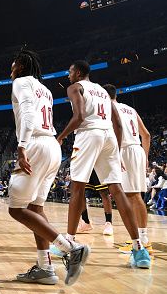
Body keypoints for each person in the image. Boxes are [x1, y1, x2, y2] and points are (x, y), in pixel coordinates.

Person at [56, 60, 151, 268]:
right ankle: (139, 249)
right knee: (117, 190)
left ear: (78, 72)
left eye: (70, 71)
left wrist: (61, 136)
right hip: (108, 135)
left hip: (89, 134)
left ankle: (70, 242)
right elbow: (117, 123)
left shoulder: (75, 87)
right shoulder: (102, 91)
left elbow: (79, 117)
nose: (68, 75)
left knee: (77, 188)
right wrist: (114, 149)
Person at [4, 51, 88, 286]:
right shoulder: (46, 89)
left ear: (20, 66)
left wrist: (21, 147)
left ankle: (70, 248)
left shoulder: (20, 82)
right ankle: (45, 267)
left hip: (36, 144)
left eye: (13, 65)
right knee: (35, 207)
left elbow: (29, 113)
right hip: (51, 145)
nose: (10, 70)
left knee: (16, 209)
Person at [102, 84, 153, 253]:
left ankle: (142, 240)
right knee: (133, 196)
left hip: (124, 150)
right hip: (137, 149)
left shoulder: (108, 107)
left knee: (132, 196)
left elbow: (114, 132)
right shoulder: (130, 109)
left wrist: (116, 154)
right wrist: (145, 157)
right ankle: (140, 237)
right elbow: (146, 135)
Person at [77, 170, 114, 235]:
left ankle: (109, 222)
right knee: (80, 192)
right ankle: (85, 221)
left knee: (104, 191)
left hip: (97, 164)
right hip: (86, 164)